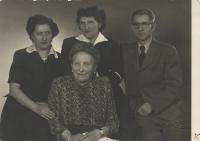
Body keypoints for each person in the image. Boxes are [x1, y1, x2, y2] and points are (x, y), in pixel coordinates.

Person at [59, 6, 132, 140]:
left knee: (121, 124)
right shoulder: (69, 43)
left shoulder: (112, 44)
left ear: (100, 23)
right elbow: (63, 71)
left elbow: (118, 72)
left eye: (90, 22)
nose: (86, 26)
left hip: (108, 93)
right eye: (82, 23)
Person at [123, 9, 184, 141]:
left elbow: (175, 85)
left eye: (145, 23)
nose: (140, 28)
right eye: (136, 24)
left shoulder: (168, 51)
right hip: (141, 113)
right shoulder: (125, 51)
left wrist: (152, 104)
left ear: (153, 26)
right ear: (132, 27)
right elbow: (122, 83)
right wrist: (135, 106)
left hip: (168, 112)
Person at [0, 15, 62, 141]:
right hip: (18, 112)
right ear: (32, 35)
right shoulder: (21, 55)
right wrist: (37, 108)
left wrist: (49, 107)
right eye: (39, 33)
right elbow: (14, 90)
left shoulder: (61, 59)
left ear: (53, 35)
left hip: (47, 114)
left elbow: (63, 91)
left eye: (47, 33)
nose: (44, 38)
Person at [48, 43, 119, 141]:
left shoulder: (104, 84)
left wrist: (100, 132)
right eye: (77, 64)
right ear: (71, 66)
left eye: (86, 64)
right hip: (68, 136)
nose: (81, 69)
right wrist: (69, 137)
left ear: (94, 68)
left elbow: (114, 122)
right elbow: (53, 119)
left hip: (97, 137)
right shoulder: (59, 84)